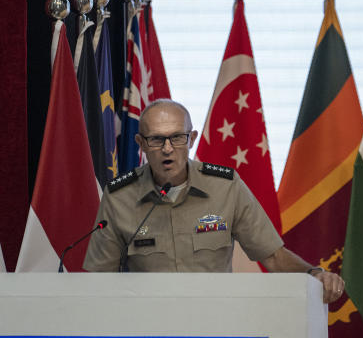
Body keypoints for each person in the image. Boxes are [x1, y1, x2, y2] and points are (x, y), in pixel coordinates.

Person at [83, 99, 345, 303]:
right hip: (148, 332)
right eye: (156, 140)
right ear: (140, 143)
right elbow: (98, 281)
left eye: (177, 138)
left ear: (192, 139)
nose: (167, 149)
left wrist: (314, 274)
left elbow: (273, 257)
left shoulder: (225, 187)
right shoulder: (119, 197)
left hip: (217, 325)